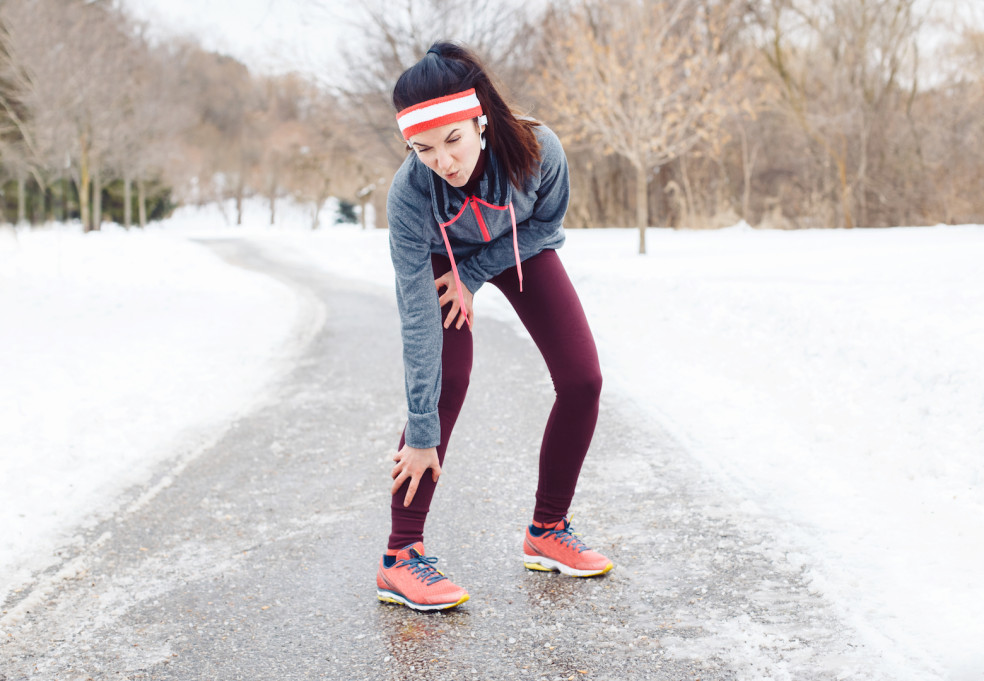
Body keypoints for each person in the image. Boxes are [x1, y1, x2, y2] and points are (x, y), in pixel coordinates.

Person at [375, 41, 612, 612]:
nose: (444, 161)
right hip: (440, 260)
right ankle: (400, 556)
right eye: (422, 148)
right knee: (446, 385)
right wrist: (420, 430)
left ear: (479, 115)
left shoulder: (538, 148)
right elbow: (416, 319)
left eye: (452, 139)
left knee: (583, 380)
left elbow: (546, 226)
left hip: (517, 247)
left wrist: (475, 274)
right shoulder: (409, 197)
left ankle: (548, 529)